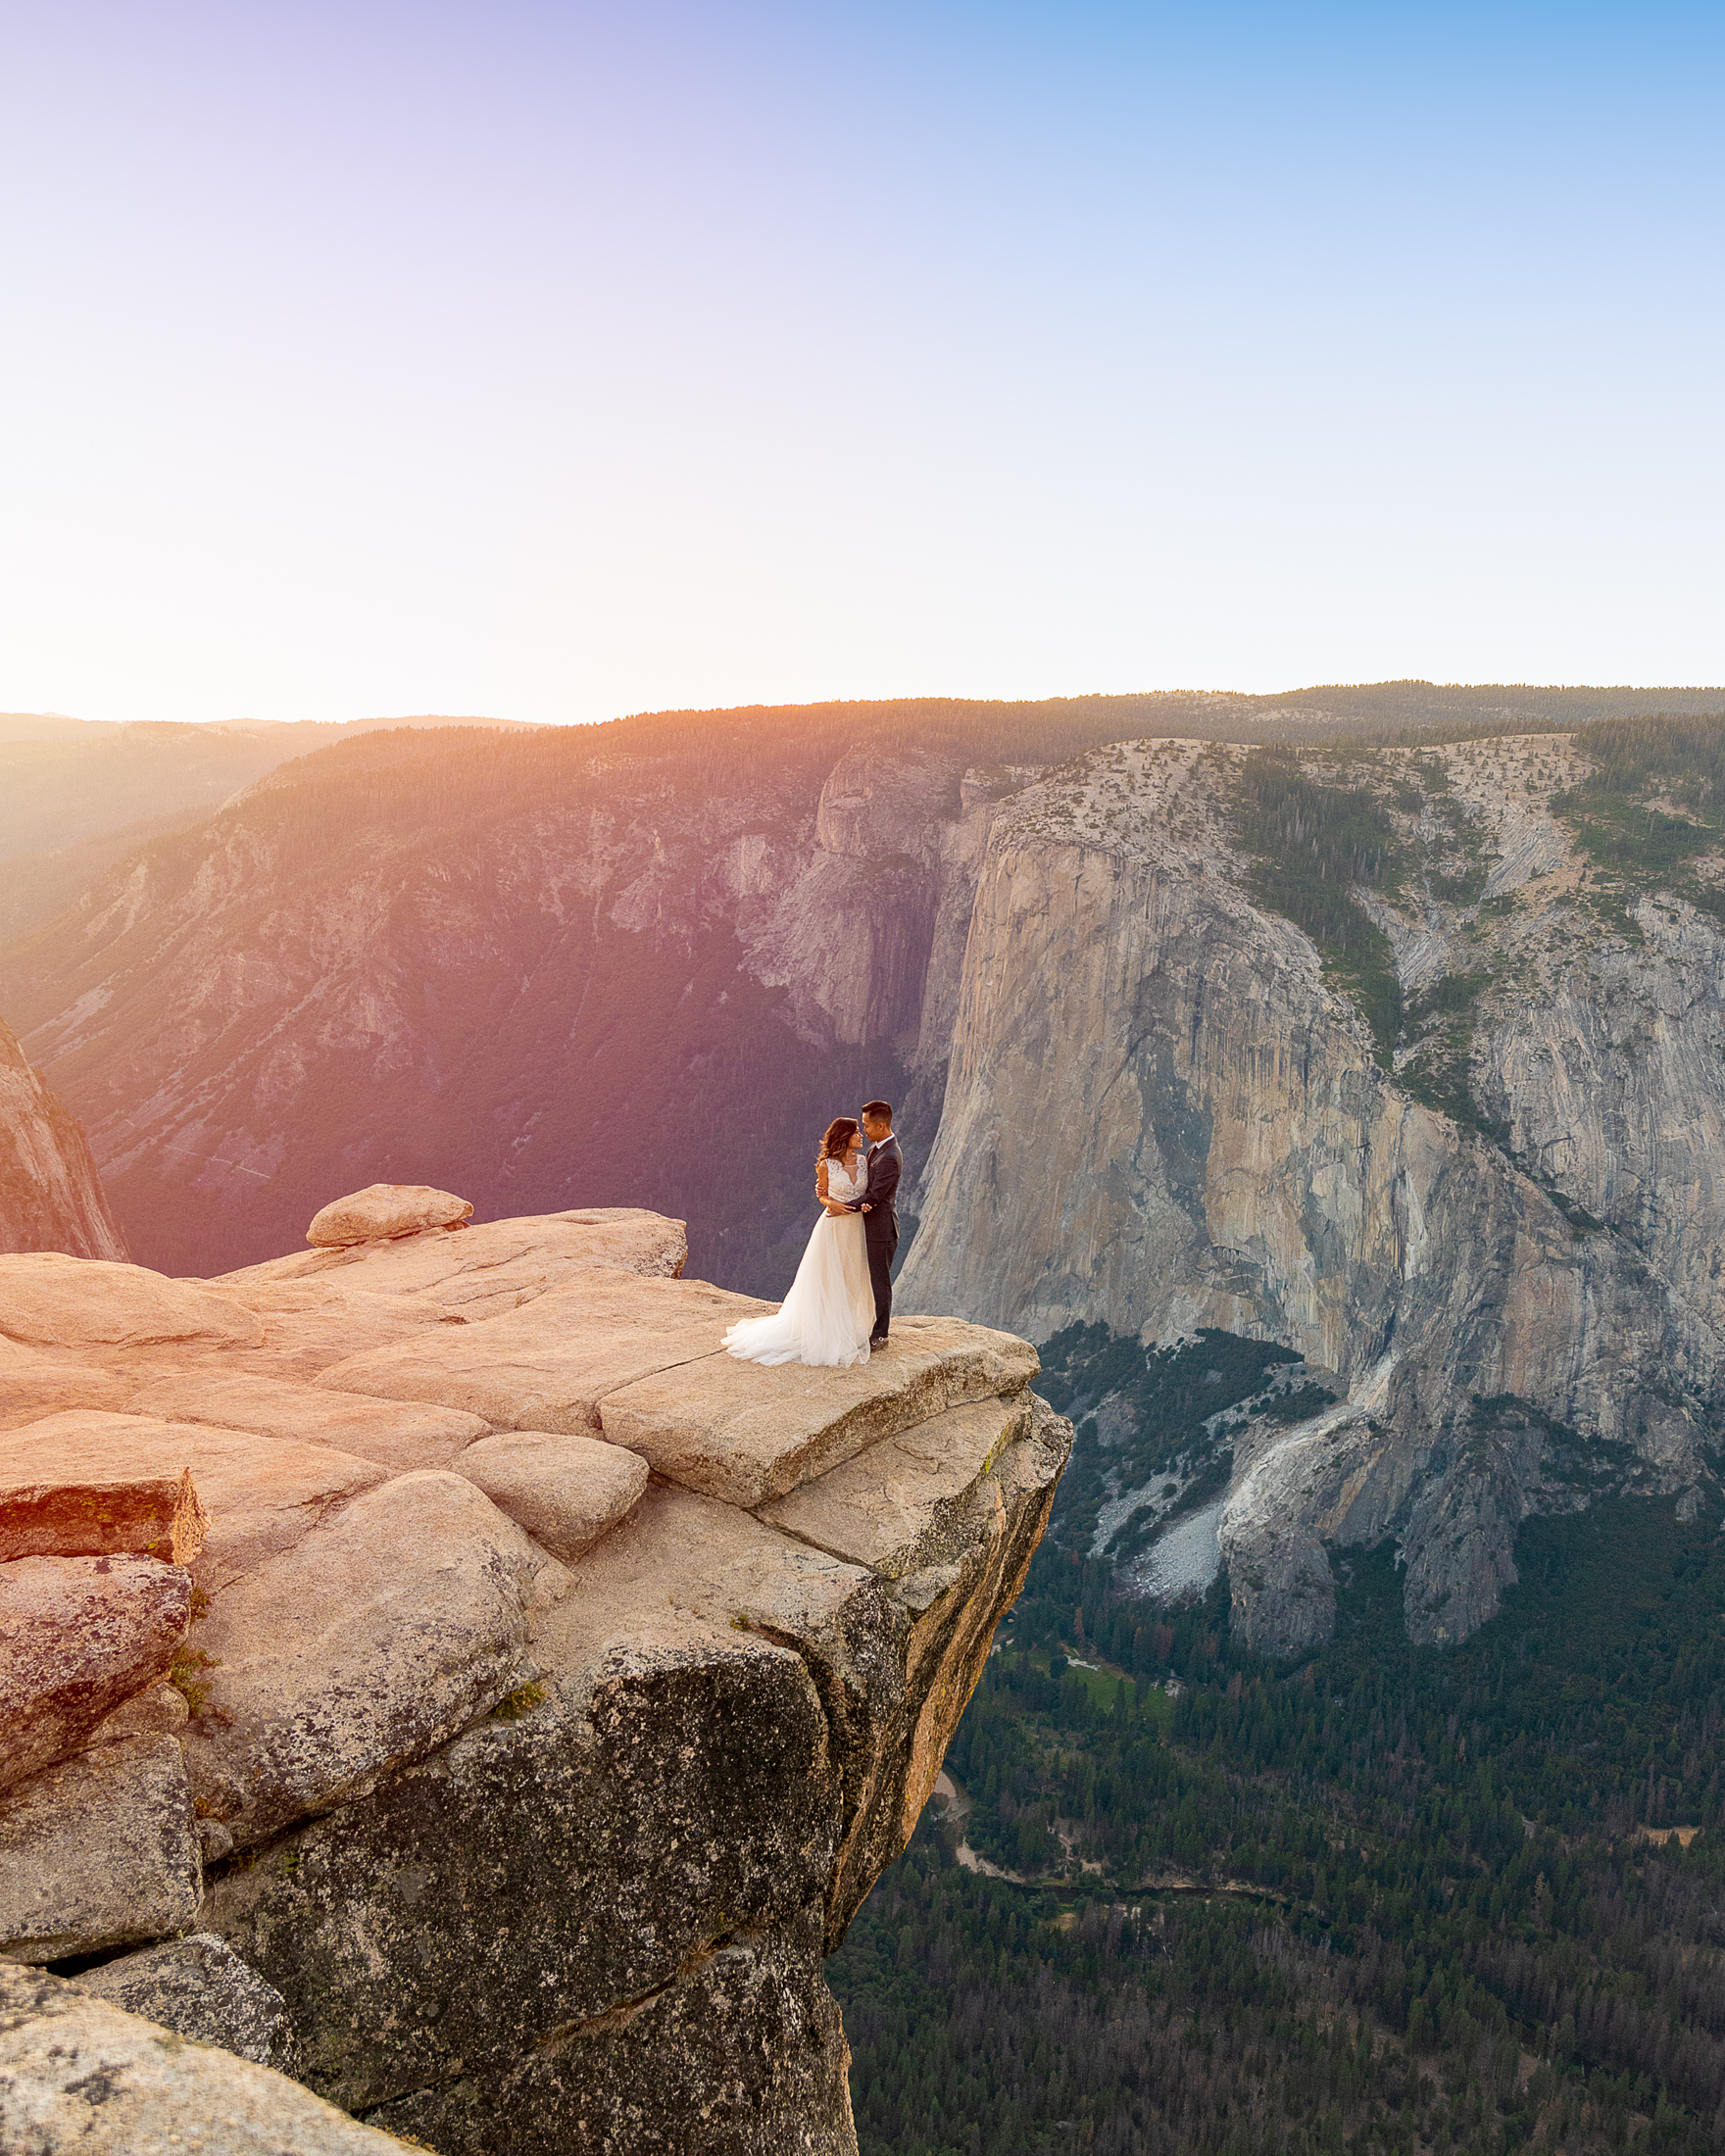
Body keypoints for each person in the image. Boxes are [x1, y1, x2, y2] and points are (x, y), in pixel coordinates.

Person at [720, 1116, 876, 1367]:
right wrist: (832, 1203)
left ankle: (849, 1327)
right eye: (856, 1131)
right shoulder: (827, 1165)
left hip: (857, 1227)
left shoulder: (864, 1161)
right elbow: (822, 1195)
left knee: (852, 1275)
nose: (861, 1135)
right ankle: (828, 1329)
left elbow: (870, 1192)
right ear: (843, 1136)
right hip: (833, 1226)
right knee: (828, 1278)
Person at [849, 1100, 901, 1349]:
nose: (864, 1130)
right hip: (869, 1225)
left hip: (881, 1230)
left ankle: (881, 1334)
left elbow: (875, 1196)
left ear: (881, 1125)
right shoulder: (875, 1150)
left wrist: (840, 1206)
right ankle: (868, 1325)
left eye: (867, 1126)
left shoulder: (890, 1156)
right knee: (869, 1279)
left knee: (880, 1282)